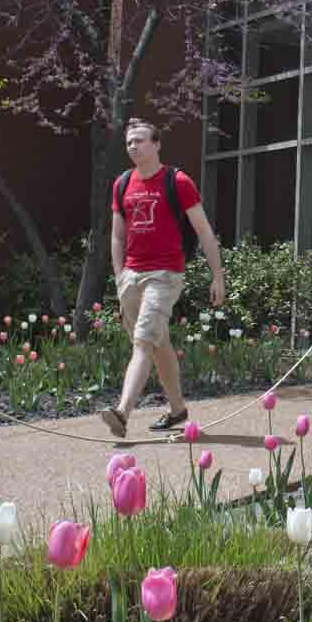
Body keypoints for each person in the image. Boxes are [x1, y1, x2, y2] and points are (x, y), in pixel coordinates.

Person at [99, 119, 227, 438]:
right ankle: (178, 409)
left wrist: (218, 277)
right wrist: (119, 277)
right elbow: (117, 236)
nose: (133, 146)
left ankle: (122, 413)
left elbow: (204, 232)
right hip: (131, 275)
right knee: (159, 344)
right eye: (129, 142)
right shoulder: (122, 183)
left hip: (165, 274)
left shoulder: (177, 181)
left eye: (140, 140)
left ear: (156, 144)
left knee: (143, 341)